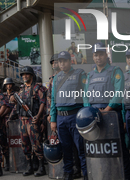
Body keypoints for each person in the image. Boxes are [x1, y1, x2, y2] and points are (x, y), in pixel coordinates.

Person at [84, 43, 130, 180]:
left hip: (111, 115)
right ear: (93, 57)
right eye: (95, 55)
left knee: (118, 149)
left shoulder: (115, 71)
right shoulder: (90, 75)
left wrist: (107, 109)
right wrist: (88, 112)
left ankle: (125, 176)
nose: (98, 57)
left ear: (106, 55)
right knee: (98, 149)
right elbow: (86, 96)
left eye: (100, 54)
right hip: (94, 117)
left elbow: (119, 93)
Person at [50, 51, 87, 180]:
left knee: (81, 147)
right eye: (60, 61)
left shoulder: (80, 74)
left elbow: (86, 94)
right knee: (65, 148)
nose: (62, 64)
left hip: (75, 115)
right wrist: (53, 119)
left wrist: (86, 113)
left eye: (64, 61)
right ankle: (68, 173)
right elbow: (53, 99)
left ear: (70, 61)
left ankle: (86, 173)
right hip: (60, 118)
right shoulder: (56, 78)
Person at [9, 67, 46, 177]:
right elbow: (17, 105)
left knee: (37, 143)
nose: (25, 76)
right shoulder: (21, 89)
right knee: (25, 144)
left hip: (32, 120)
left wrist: (38, 117)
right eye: (23, 74)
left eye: (27, 74)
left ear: (31, 75)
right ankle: (29, 165)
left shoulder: (37, 88)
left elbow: (42, 103)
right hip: (22, 120)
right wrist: (13, 100)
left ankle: (41, 166)